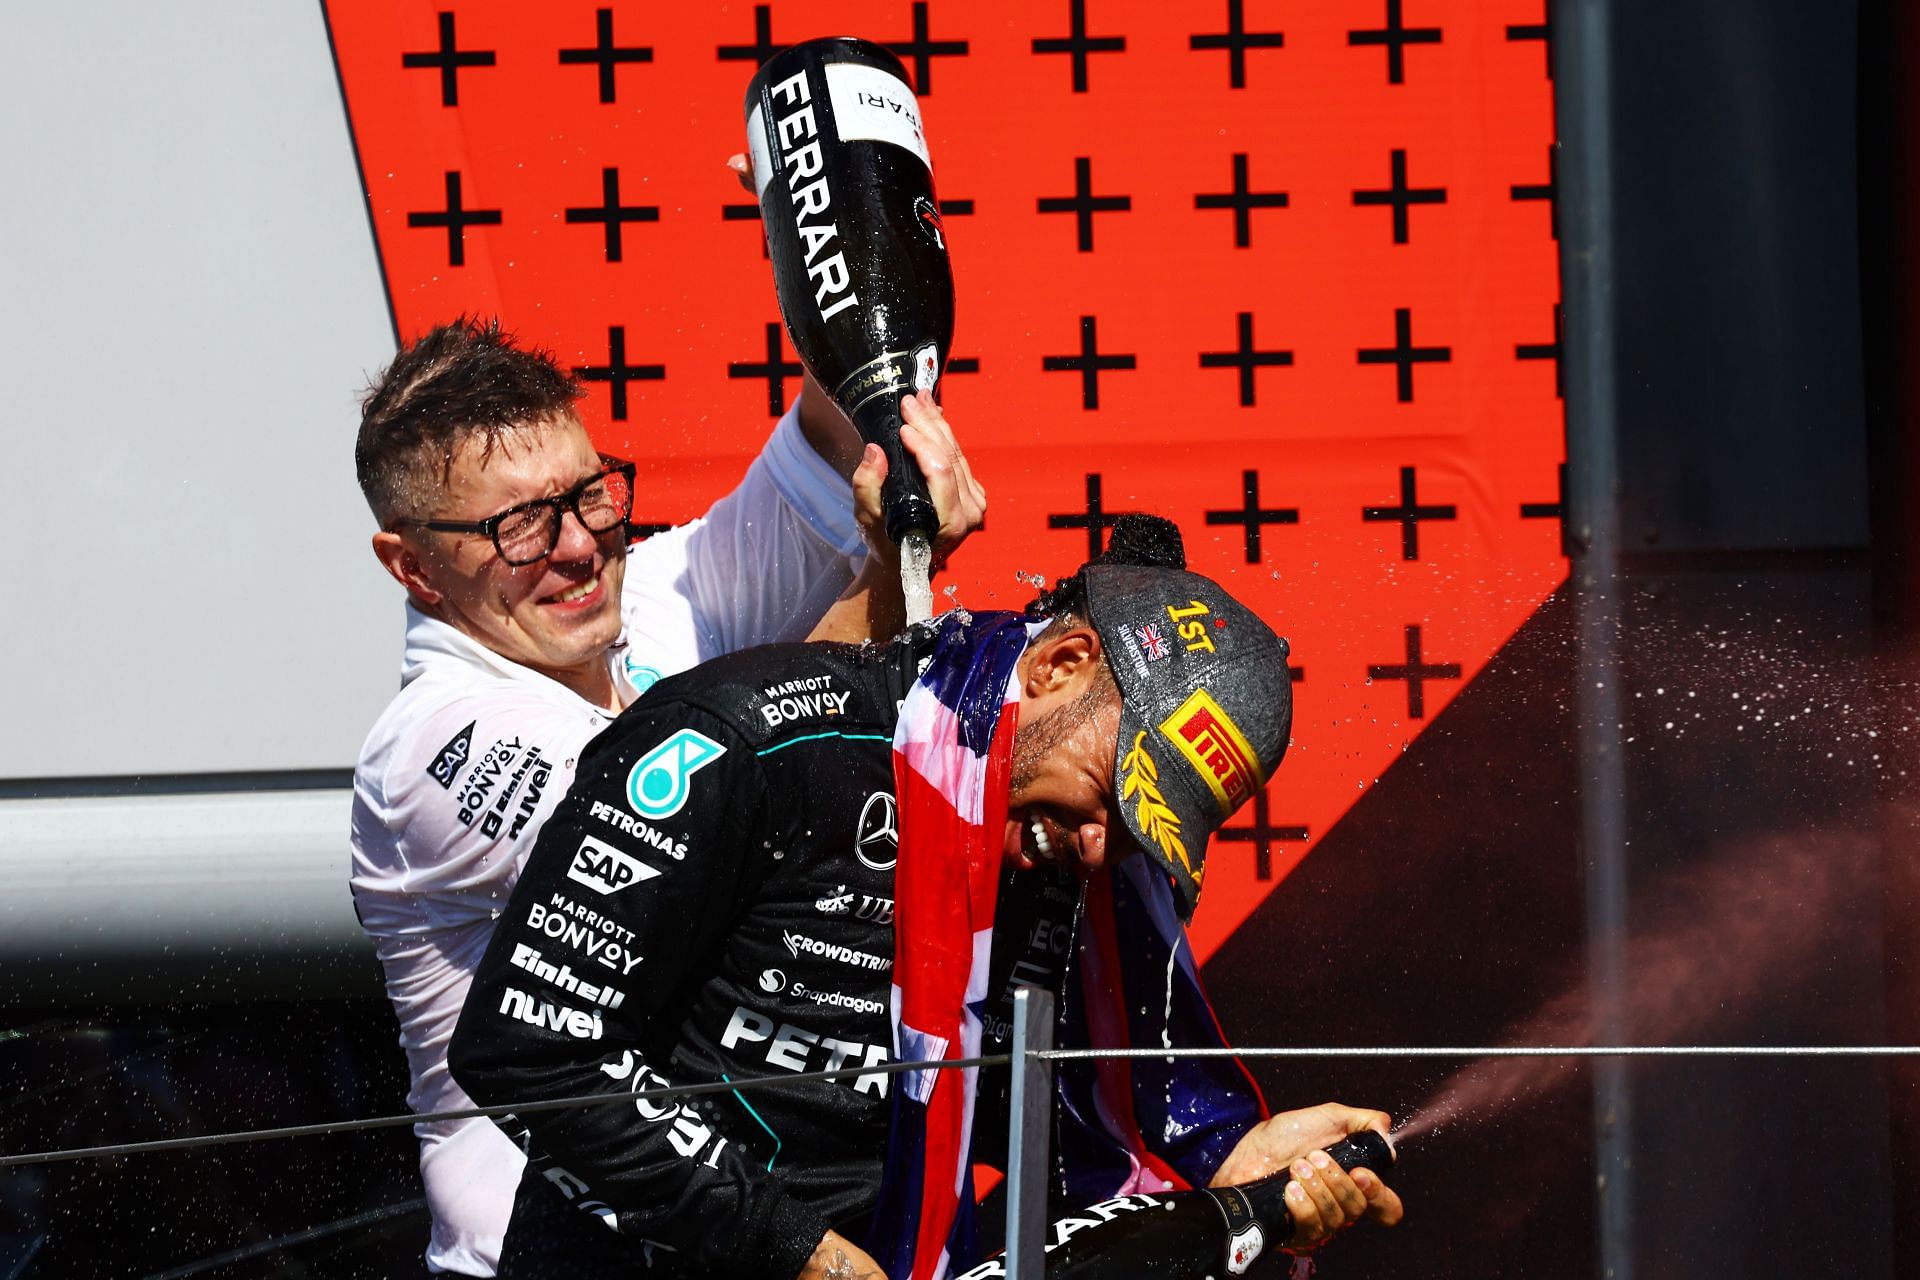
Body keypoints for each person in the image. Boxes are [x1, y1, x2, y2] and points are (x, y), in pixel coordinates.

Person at [447, 517, 1402, 1280]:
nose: (1106, 843)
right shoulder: (748, 740)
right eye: (1115, 792)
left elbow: (1058, 1131)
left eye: (1149, 830)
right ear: (1059, 665)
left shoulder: (1073, 868)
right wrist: (800, 1256)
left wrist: (1228, 1157)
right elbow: (529, 1048)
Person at [349, 316, 985, 1278]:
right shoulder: (434, 745)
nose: (576, 548)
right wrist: (892, 579)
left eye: (590, 493)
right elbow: (715, 825)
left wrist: (814, 228)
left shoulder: (641, 593)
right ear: (410, 566)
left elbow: (830, 430)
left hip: (734, 1234)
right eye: (515, 525)